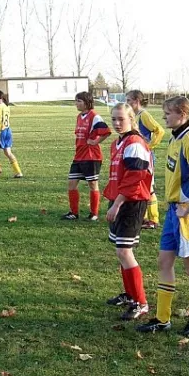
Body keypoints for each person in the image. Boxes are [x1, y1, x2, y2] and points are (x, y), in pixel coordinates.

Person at [137, 96, 189, 336]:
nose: (163, 117)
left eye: (167, 113)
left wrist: (188, 208)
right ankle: (162, 319)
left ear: (183, 114)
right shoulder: (175, 137)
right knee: (164, 262)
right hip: (172, 211)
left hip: (188, 214)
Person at [104, 103, 153, 320]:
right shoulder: (118, 142)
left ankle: (141, 303)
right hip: (119, 199)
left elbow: (135, 178)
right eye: (113, 119)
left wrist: (117, 204)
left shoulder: (135, 143)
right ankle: (130, 294)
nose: (116, 123)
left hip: (131, 202)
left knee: (125, 251)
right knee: (120, 250)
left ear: (132, 119)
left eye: (121, 119)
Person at [61, 91, 111, 221]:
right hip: (78, 156)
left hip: (91, 157)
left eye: (79, 101)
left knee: (93, 184)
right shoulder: (79, 117)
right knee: (71, 183)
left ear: (87, 102)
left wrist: (95, 142)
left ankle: (93, 214)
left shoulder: (94, 116)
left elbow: (106, 131)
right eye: (76, 101)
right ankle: (74, 213)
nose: (76, 104)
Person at [126, 90, 165, 229]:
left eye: (129, 100)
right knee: (140, 186)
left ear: (137, 101)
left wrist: (150, 146)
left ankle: (154, 220)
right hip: (138, 155)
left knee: (149, 188)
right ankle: (143, 217)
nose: (127, 103)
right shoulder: (133, 115)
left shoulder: (144, 115)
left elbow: (159, 130)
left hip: (146, 156)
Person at [0, 90, 23, 179]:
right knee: (8, 152)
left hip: (0, 131)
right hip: (8, 130)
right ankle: (18, 172)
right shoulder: (6, 107)